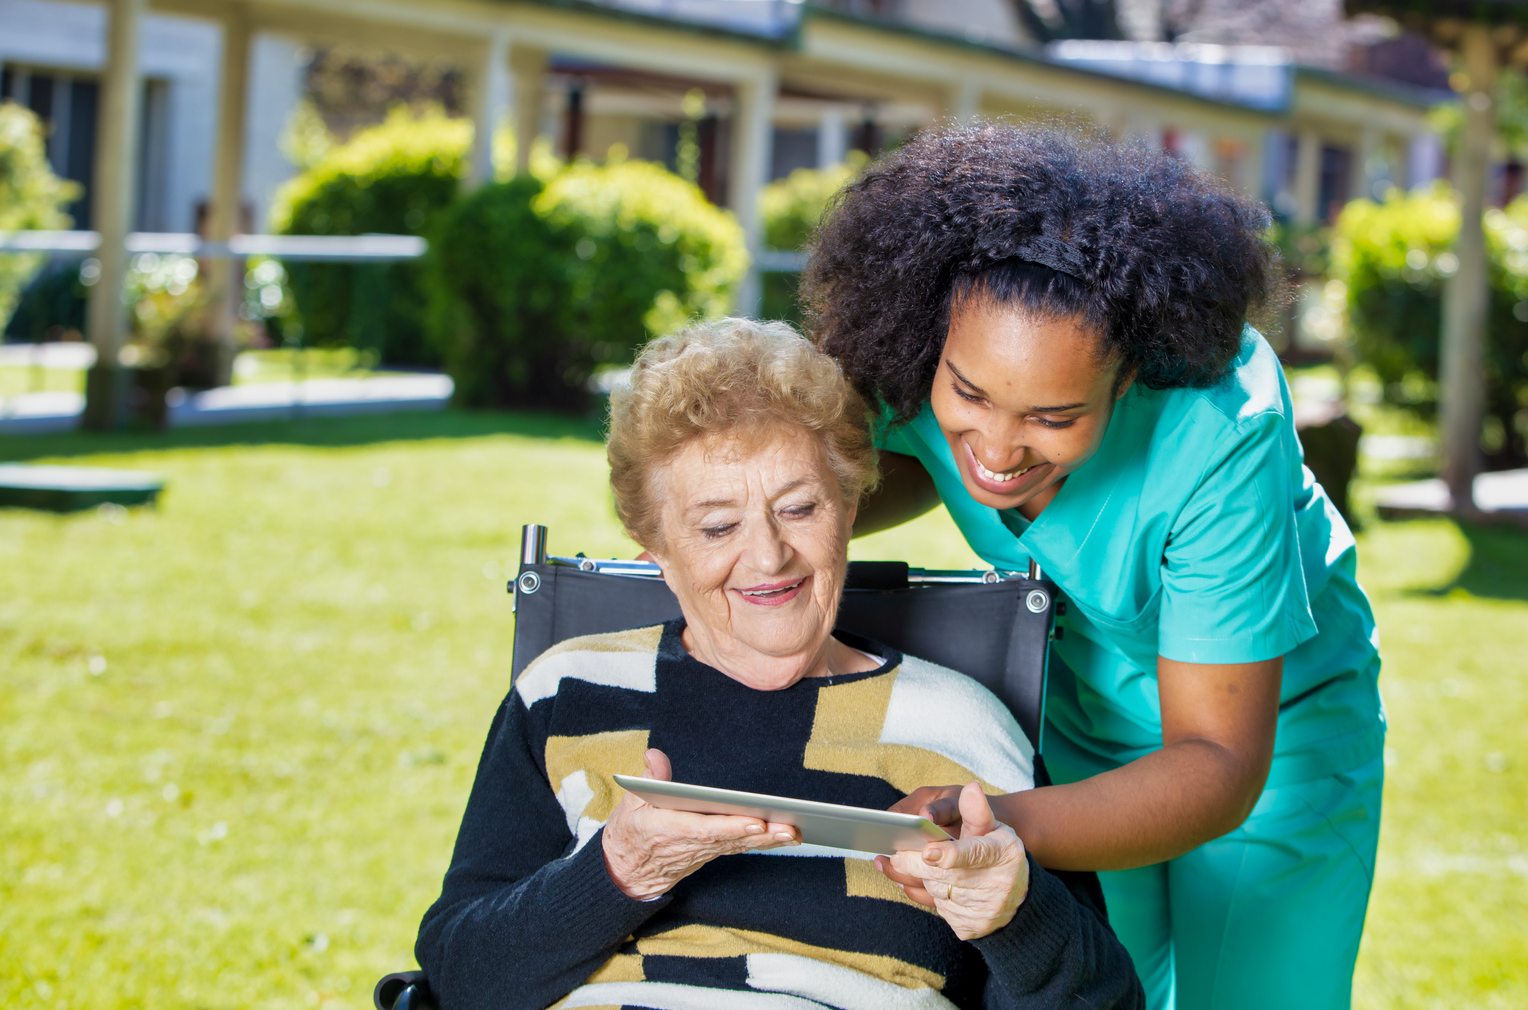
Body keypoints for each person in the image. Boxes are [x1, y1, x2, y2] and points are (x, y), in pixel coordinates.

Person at [804, 123, 1385, 1010]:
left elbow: (1218, 760)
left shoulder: (1216, 433)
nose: (994, 447)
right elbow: (895, 461)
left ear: (1129, 377)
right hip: (1081, 711)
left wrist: (993, 822)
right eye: (969, 396)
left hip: (1268, 738)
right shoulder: (923, 355)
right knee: (1102, 994)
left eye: (1052, 415)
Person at [415, 318, 1143, 1010]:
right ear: (655, 546)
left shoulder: (963, 728)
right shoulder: (568, 690)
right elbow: (459, 977)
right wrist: (618, 870)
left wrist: (1011, 913)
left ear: (849, 506)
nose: (767, 557)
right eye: (717, 526)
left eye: (799, 509)